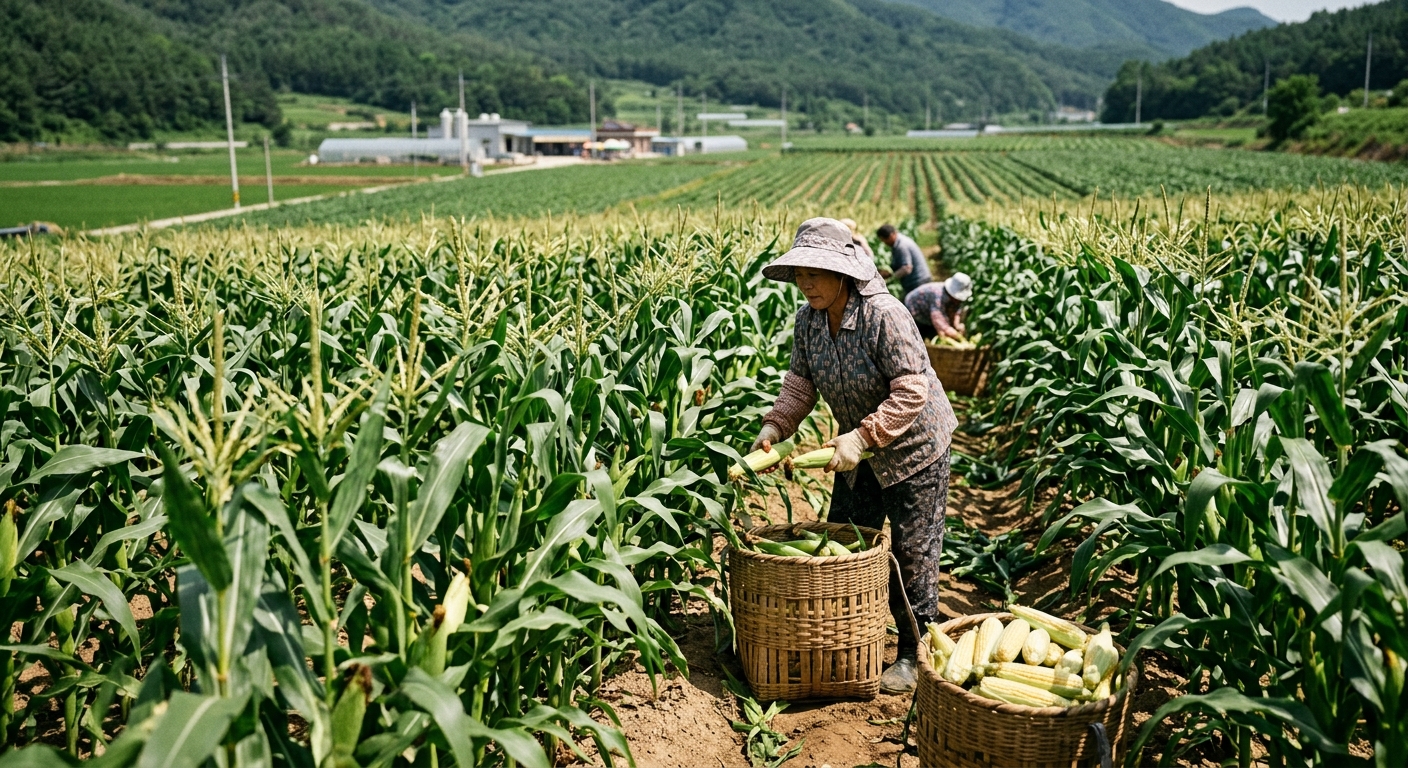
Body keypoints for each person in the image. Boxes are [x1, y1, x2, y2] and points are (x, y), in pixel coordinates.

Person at [749, 217, 957, 694]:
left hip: (914, 448)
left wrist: (862, 438)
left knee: (911, 553)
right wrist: (774, 426)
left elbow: (912, 389)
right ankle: (846, 640)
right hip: (856, 450)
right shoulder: (808, 321)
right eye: (801, 273)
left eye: (816, 273)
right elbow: (800, 383)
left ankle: (914, 650)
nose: (807, 283)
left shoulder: (885, 314)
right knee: (845, 541)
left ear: (843, 272)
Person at [905, 273, 972, 341]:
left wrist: (956, 325)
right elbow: (937, 318)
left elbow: (956, 310)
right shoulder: (938, 295)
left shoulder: (955, 300)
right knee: (920, 335)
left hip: (928, 311)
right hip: (914, 309)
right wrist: (955, 334)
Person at [876, 224, 931, 298]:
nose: (885, 243)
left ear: (891, 235)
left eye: (884, 240)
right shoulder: (899, 242)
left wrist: (891, 279)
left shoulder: (901, 246)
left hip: (918, 281)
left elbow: (907, 268)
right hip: (919, 280)